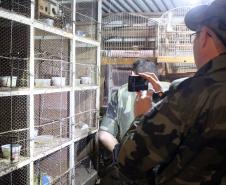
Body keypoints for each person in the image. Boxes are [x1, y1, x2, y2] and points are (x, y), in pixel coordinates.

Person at [117, 0, 226, 185]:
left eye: (196, 34)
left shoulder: (192, 92)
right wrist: (163, 98)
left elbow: (129, 161)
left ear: (206, 35)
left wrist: (141, 117)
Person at [98, 59, 169, 184]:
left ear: (132, 75)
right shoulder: (171, 90)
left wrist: (122, 154)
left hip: (129, 165)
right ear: (156, 76)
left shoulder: (121, 93)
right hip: (164, 168)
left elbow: (104, 135)